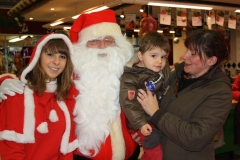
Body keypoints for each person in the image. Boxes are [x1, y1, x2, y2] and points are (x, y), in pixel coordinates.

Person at [0, 10, 138, 160]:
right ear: (83, 47)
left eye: (108, 40)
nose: (102, 46)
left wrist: (137, 132)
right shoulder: (69, 78)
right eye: (95, 41)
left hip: (129, 154)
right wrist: (4, 81)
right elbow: (37, 82)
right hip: (81, 156)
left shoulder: (127, 75)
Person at [137, 29, 232, 160]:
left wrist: (156, 113)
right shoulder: (176, 74)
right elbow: (154, 103)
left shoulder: (220, 91)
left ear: (211, 61)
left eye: (193, 53)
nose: (184, 56)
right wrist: (141, 127)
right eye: (187, 50)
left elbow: (195, 138)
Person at [0, 33, 78, 159]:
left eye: (62, 56)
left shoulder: (64, 97)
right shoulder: (17, 95)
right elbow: (11, 150)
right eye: (50, 54)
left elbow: (65, 150)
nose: (56, 62)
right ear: (38, 57)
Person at [120, 32, 170, 160]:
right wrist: (141, 124)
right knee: (155, 154)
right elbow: (128, 103)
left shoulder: (160, 71)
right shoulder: (130, 77)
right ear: (140, 56)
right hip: (140, 122)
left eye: (163, 57)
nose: (159, 61)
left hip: (155, 119)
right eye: (154, 56)